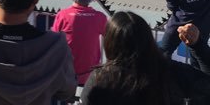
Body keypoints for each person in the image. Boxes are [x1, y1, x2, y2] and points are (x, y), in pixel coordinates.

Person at [81, 11, 210, 105]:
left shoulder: (100, 80)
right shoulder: (168, 71)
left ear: (109, 43)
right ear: (148, 39)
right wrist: (197, 45)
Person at [52, 0, 107, 86]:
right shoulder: (100, 17)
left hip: (66, 74)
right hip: (90, 77)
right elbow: (111, 39)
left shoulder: (62, 16)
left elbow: (53, 42)